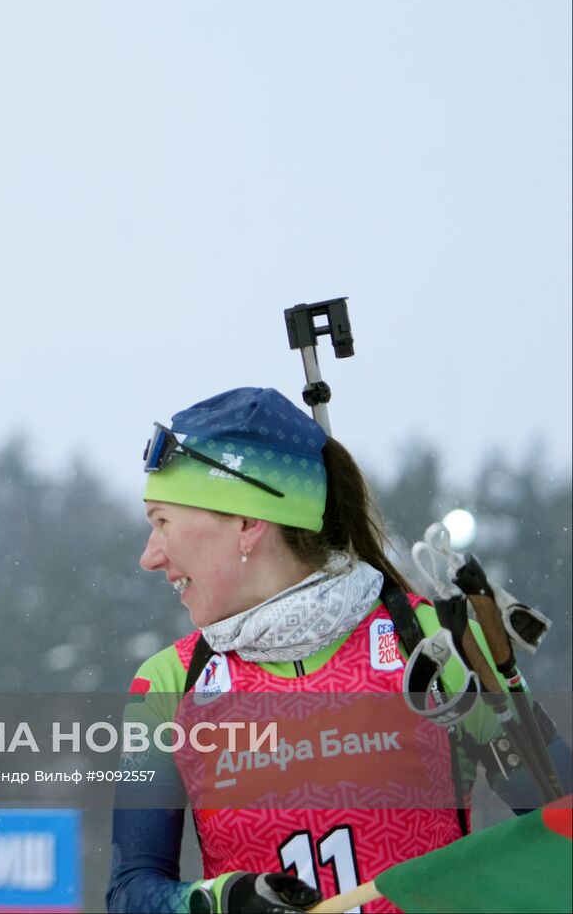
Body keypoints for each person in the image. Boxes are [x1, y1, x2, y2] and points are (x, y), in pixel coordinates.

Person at [107, 387, 569, 914]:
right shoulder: (169, 682)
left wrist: (502, 690)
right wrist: (218, 901)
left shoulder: (427, 640)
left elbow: (562, 826)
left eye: (162, 521)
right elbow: (130, 892)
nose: (150, 556)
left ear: (247, 523)